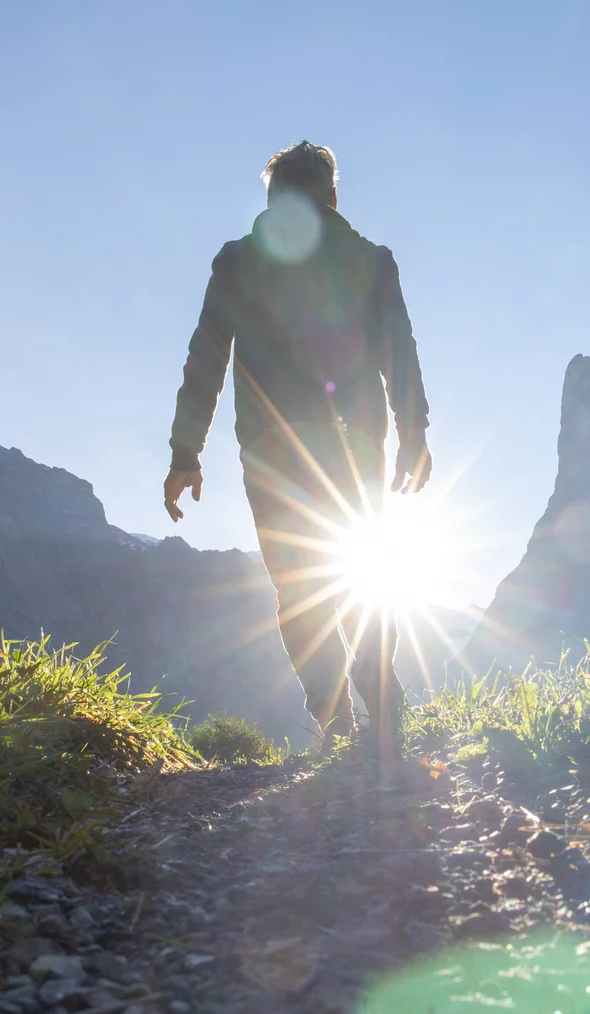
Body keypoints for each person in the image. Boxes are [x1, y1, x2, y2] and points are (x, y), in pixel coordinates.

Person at [162, 140, 432, 760]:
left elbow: (206, 358)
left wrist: (185, 453)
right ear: (333, 195)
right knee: (362, 573)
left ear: (273, 199)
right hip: (355, 441)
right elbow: (402, 353)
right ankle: (386, 713)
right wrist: (414, 433)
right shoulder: (372, 260)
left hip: (271, 448)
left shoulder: (237, 262)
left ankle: (338, 728)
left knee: (299, 586)